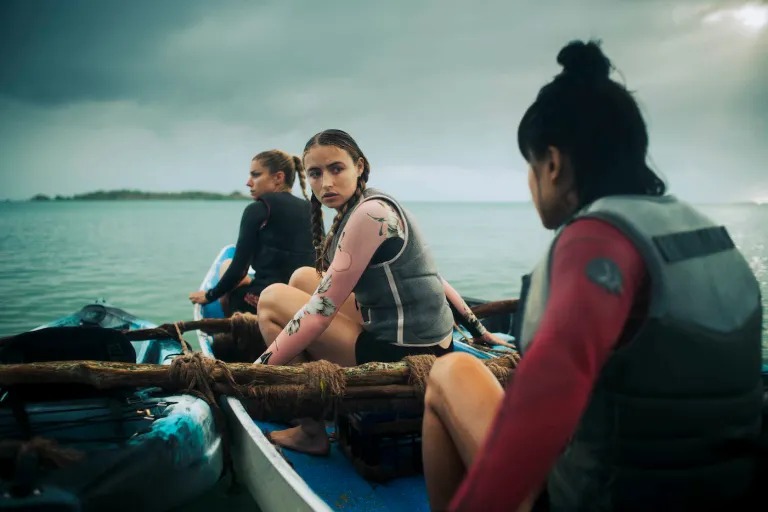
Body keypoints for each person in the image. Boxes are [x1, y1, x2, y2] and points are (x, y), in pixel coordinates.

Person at [421, 40, 763, 512]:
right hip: (726, 490)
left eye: (530, 166)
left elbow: (547, 397)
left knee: (449, 372)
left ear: (553, 164)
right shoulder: (705, 234)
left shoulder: (596, 241)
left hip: (607, 500)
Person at [253, 129, 503, 455]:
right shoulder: (376, 202)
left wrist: (257, 371)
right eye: (315, 173)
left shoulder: (368, 215)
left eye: (336, 169)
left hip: (405, 353)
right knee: (302, 278)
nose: (326, 183)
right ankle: (312, 405)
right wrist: (479, 331)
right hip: (435, 342)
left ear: (359, 167)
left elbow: (319, 314)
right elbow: (436, 279)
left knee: (271, 299)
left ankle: (310, 430)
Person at [189, 150, 314, 317]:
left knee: (227, 266)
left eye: (255, 175)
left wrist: (209, 295)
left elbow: (238, 270)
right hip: (301, 303)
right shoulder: (311, 209)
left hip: (264, 303)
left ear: (278, 177)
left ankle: (233, 325)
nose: (248, 183)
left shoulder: (258, 209)